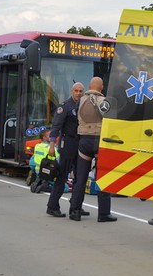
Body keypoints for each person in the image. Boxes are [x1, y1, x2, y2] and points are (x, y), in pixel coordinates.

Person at [69, 77, 116, 222]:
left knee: (81, 178)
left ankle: (75, 211)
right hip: (100, 141)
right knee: (102, 177)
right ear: (101, 88)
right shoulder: (105, 102)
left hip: (84, 141)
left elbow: (74, 118)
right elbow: (112, 120)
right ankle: (103, 214)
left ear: (89, 86)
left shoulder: (80, 101)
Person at [45, 82, 90, 218]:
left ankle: (76, 205)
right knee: (62, 175)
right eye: (76, 90)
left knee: (80, 176)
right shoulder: (65, 106)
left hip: (80, 142)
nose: (78, 93)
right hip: (67, 142)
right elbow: (56, 127)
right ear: (72, 91)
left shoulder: (84, 106)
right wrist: (52, 146)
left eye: (81, 91)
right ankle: (52, 206)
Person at [29, 129, 55, 194]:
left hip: (38, 171)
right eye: (50, 135)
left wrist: (34, 169)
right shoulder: (52, 148)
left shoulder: (37, 146)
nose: (52, 137)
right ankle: (46, 186)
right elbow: (60, 162)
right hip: (49, 173)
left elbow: (31, 163)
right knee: (65, 187)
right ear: (44, 137)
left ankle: (38, 180)